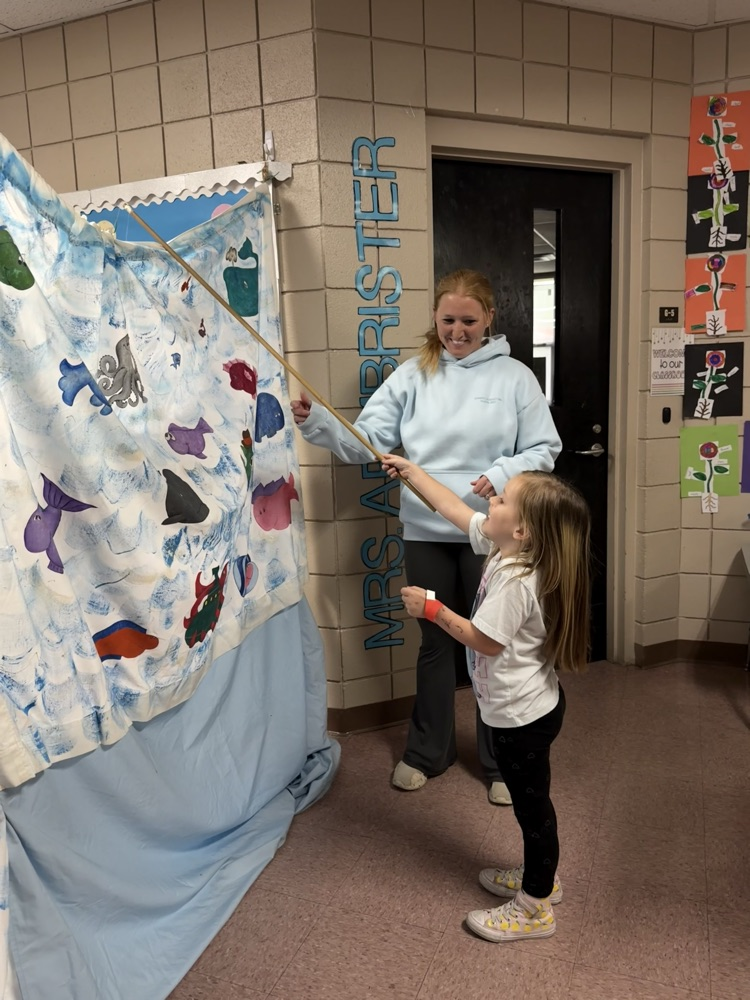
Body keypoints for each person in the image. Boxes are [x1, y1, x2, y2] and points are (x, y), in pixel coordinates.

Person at [290, 269, 562, 804]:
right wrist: (317, 422)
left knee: (491, 647)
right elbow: (366, 440)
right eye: (447, 320)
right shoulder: (414, 374)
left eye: (468, 320)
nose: (457, 331)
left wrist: (504, 475)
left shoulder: (514, 378)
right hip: (425, 531)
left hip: (493, 535)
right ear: (435, 320)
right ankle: (426, 751)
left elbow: (543, 448)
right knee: (436, 643)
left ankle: (500, 761)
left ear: (489, 319)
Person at [380, 456, 591, 942]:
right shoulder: (509, 550)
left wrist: (432, 609)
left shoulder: (517, 581)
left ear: (522, 531)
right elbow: (453, 508)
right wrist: (412, 473)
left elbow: (484, 640)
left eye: (501, 499)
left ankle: (535, 905)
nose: (490, 499)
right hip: (525, 708)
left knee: (532, 811)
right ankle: (541, 877)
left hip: (522, 719)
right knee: (530, 806)